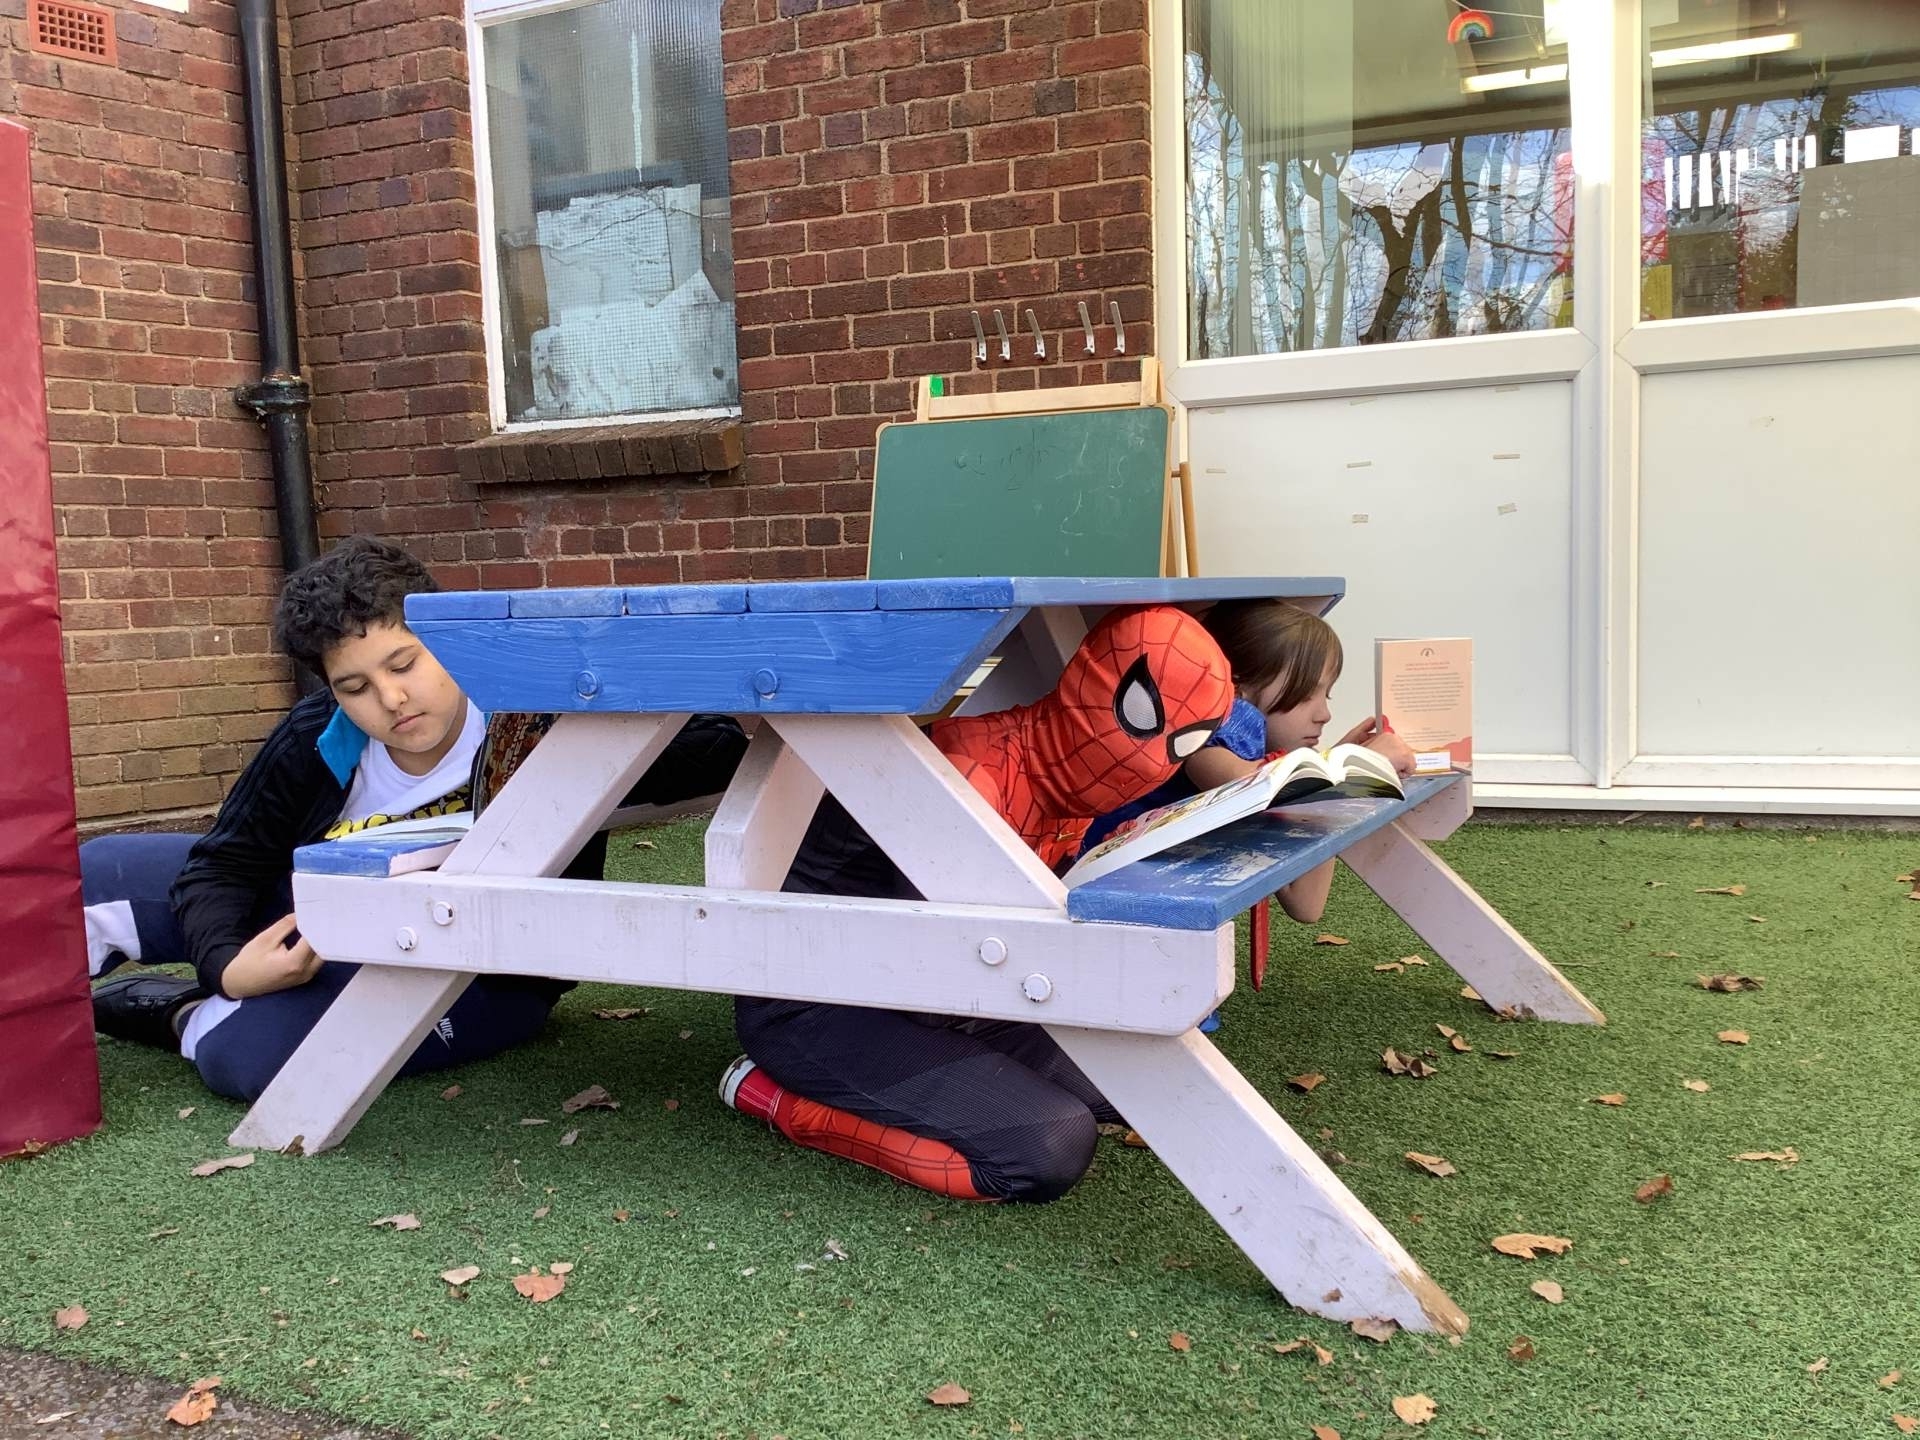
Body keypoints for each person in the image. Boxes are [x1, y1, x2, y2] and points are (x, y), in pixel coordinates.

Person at [83, 536, 744, 1102]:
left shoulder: (527, 715)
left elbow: (717, 747)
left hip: (477, 974)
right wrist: (229, 967)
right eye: (355, 687)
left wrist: (578, 725)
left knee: (246, 1055)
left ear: (444, 640)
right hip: (313, 916)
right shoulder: (315, 738)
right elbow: (226, 863)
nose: (393, 698)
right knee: (89, 873)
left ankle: (178, 1013)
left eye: (405, 663)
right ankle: (189, 1004)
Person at [717, 606, 1236, 1205]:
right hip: (821, 1000)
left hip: (959, 991)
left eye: (1182, 745)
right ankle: (778, 1098)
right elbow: (947, 964)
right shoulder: (971, 770)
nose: (1149, 761)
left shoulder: (1065, 780)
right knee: (1050, 1145)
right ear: (1091, 683)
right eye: (1140, 717)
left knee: (1146, 1085)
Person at [1081, 598, 1416, 927]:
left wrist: (1336, 775)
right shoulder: (1218, 725)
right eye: (1305, 694)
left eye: (1326, 695)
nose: (1324, 714)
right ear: (1237, 691)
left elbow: (1306, 904)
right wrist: (1354, 765)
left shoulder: (1264, 761)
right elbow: (1248, 788)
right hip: (1095, 882)